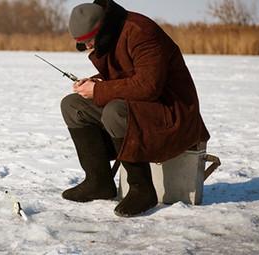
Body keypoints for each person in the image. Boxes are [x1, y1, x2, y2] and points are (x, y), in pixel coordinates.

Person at [60, 0, 210, 217]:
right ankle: (98, 182)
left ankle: (142, 189)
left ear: (100, 29)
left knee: (115, 112)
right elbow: (127, 77)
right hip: (143, 107)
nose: (88, 48)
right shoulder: (112, 34)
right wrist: (94, 83)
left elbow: (149, 87)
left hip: (172, 113)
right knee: (73, 106)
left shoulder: (141, 32)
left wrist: (99, 91)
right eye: (82, 44)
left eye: (89, 41)